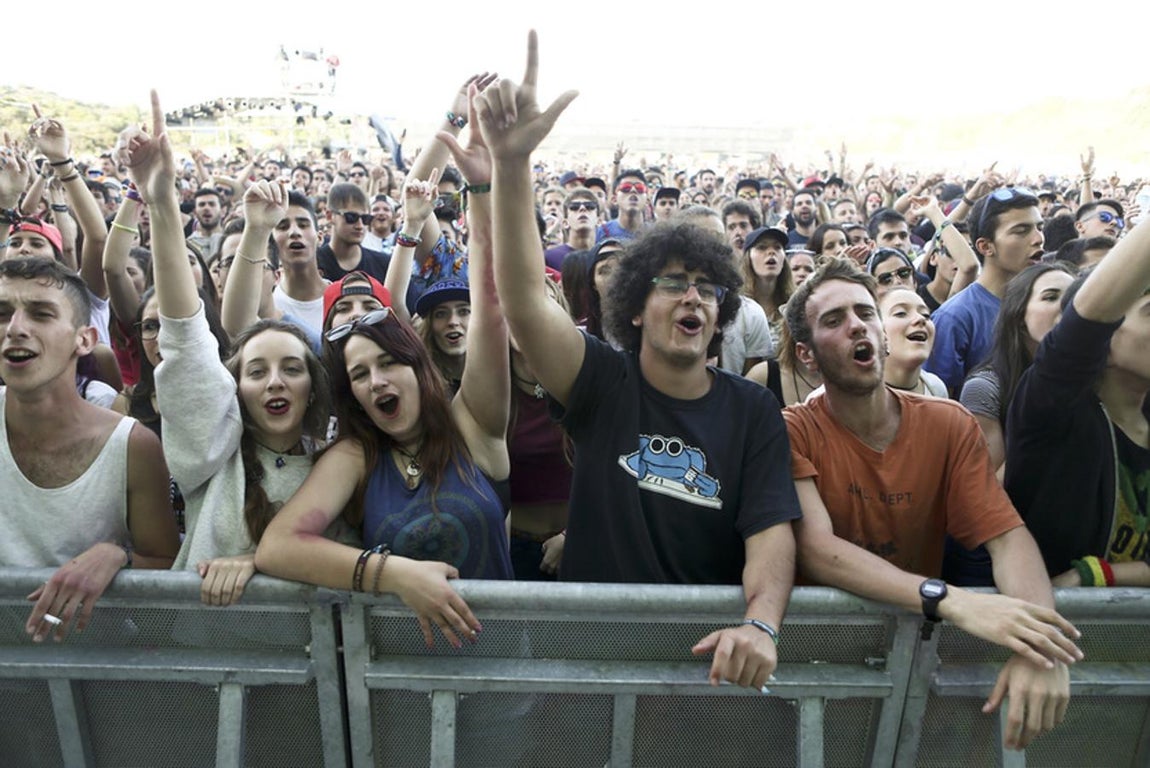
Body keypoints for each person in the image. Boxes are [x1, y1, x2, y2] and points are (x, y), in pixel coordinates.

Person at [478, 32, 800, 691]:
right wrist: (511, 166)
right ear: (632, 307)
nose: (693, 297)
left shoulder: (752, 409)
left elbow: (771, 530)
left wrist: (763, 622)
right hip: (592, 667)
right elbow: (524, 301)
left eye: (707, 288)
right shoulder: (601, 382)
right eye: (673, 283)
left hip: (706, 669)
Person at [256, 84, 513, 649]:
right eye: (358, 374)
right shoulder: (357, 455)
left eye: (388, 363)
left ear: (417, 364)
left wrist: (482, 191)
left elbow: (491, 308)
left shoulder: (472, 423)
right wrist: (392, 575)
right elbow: (277, 547)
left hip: (499, 667)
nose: (375, 381)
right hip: (397, 678)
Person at [116, 92, 333, 605]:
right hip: (205, 653)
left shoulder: (338, 464)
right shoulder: (211, 454)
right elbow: (186, 337)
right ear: (232, 387)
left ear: (315, 385)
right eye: (256, 371)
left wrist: (258, 562)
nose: (275, 381)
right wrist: (162, 204)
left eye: (291, 369)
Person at [0, 257, 179, 642]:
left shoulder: (133, 446)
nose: (15, 328)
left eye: (41, 314)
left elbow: (164, 563)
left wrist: (118, 556)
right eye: (2, 314)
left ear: (84, 340)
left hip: (98, 666)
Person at [1006, 214, 1150, 587]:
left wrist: (1097, 575)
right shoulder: (1052, 410)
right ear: (1103, 340)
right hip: (1054, 622)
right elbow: (1085, 323)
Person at [927, 188, 1044, 396]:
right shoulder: (955, 317)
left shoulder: (1046, 304)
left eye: (1039, 227)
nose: (1038, 239)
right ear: (985, 246)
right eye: (1021, 231)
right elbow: (941, 401)